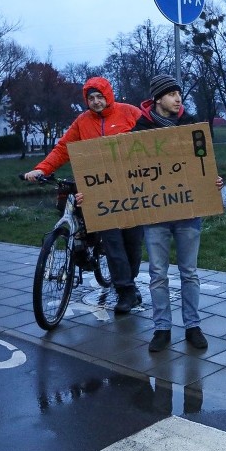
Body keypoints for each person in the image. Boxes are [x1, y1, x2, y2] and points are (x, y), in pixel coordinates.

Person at [24, 77, 144, 315]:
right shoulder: (82, 122)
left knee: (132, 241)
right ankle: (125, 291)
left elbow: (154, 139)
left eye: (100, 96)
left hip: (131, 188)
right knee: (112, 241)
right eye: (91, 98)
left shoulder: (129, 113)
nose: (96, 102)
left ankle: (129, 282)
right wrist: (42, 169)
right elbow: (63, 148)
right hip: (100, 190)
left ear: (108, 95)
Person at [133, 74, 223, 353]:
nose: (178, 98)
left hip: (188, 211)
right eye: (171, 93)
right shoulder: (139, 132)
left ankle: (193, 326)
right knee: (157, 273)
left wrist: (214, 181)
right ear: (158, 98)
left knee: (189, 272)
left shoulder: (192, 127)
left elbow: (204, 165)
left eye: (179, 93)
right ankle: (162, 329)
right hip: (155, 214)